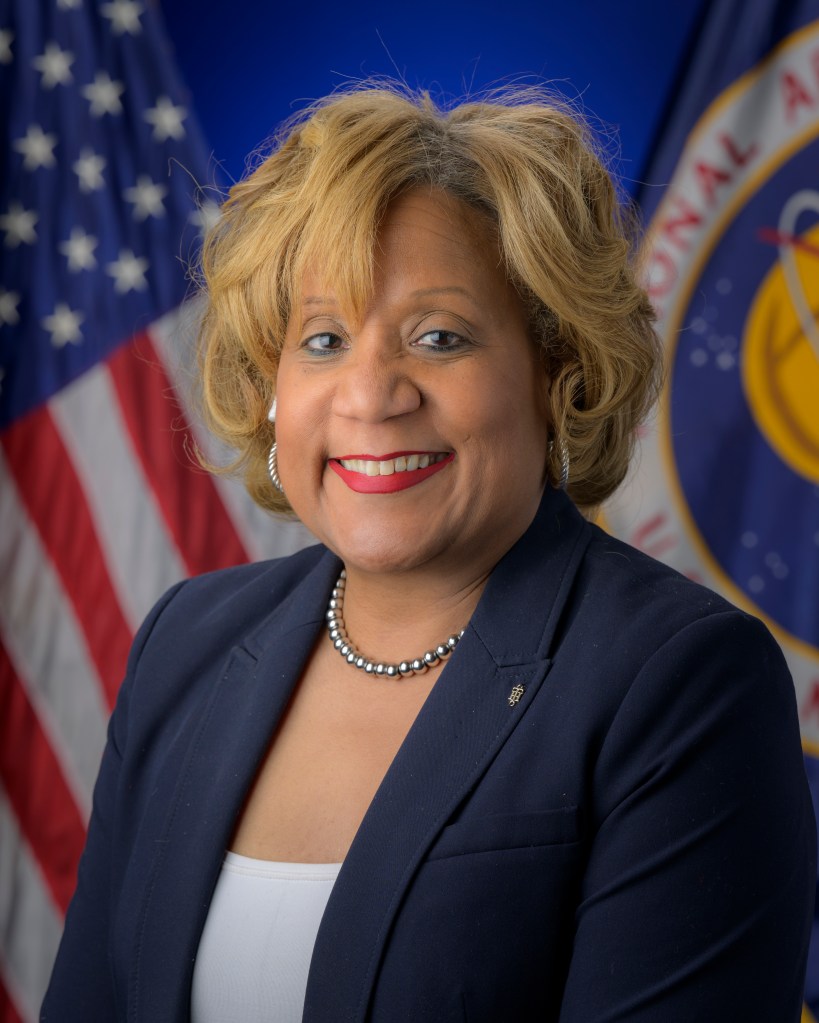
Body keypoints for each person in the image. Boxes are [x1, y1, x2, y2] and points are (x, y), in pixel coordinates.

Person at [42, 84, 815, 1022]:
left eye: (438, 337)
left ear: (556, 373)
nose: (370, 395)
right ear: (272, 387)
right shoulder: (186, 644)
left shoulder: (681, 681)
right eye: (323, 339)